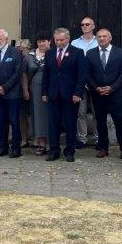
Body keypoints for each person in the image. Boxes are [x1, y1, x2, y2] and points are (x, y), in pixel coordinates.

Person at [41, 27, 88, 162]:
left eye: (62, 40)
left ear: (68, 39)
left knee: (70, 124)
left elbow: (82, 75)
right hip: (53, 94)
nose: (59, 43)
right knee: (53, 123)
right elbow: (46, 74)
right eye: (56, 40)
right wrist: (44, 92)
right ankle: (54, 150)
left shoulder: (77, 52)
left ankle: (69, 151)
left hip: (71, 95)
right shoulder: (49, 53)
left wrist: (78, 92)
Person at [86, 29, 122, 159]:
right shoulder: (90, 53)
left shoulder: (120, 53)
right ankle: (103, 147)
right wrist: (96, 88)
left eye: (104, 36)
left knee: (119, 120)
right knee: (100, 121)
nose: (102, 39)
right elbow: (88, 74)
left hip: (115, 93)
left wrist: (112, 87)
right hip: (98, 93)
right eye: (99, 37)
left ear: (110, 38)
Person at [0, 29, 23, 158]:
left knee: (13, 121)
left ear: (6, 39)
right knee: (0, 121)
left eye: (0, 39)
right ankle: (3, 147)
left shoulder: (15, 52)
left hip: (12, 93)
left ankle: (16, 148)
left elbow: (17, 73)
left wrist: (4, 87)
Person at [70, 16, 98, 148]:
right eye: (82, 25)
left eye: (87, 24)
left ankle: (98, 138)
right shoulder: (75, 43)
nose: (85, 26)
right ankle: (82, 139)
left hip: (96, 81)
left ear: (93, 26)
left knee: (97, 111)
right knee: (80, 112)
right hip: (80, 82)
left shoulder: (99, 41)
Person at [26, 34, 50, 155]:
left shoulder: (54, 53)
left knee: (50, 115)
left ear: (49, 41)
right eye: (39, 41)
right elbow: (24, 74)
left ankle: (52, 143)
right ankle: (40, 143)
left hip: (50, 88)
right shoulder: (30, 56)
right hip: (34, 89)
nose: (41, 44)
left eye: (44, 41)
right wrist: (25, 90)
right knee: (38, 115)